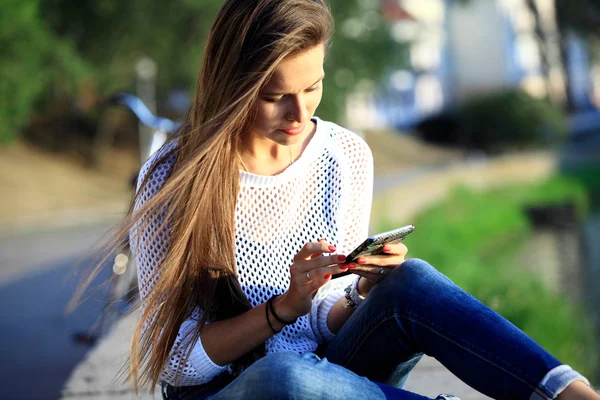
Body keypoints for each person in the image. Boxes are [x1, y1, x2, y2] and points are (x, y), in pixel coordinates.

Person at [117, 1, 599, 399]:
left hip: (331, 378)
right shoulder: (171, 178)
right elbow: (176, 363)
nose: (300, 112)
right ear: (233, 85)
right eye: (274, 95)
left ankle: (566, 393)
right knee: (283, 374)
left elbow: (326, 320)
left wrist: (359, 291)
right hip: (236, 390)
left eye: (313, 86)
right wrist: (284, 307)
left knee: (410, 281)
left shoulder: (343, 156)